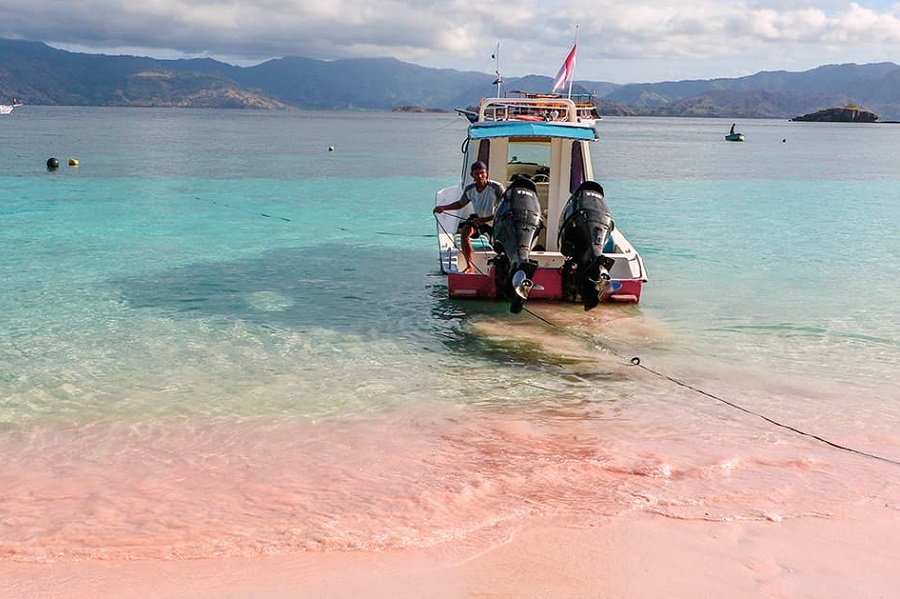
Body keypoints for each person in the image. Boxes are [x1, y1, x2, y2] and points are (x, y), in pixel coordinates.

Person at [434, 161, 505, 273]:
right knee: (465, 233)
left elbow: (504, 208)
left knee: (499, 245)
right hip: (477, 220)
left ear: (487, 173)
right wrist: (443, 208)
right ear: (472, 175)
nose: (480, 176)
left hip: (495, 220)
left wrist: (485, 219)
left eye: (482, 173)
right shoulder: (469, 189)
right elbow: (461, 204)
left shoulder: (496, 187)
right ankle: (469, 265)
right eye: (476, 174)